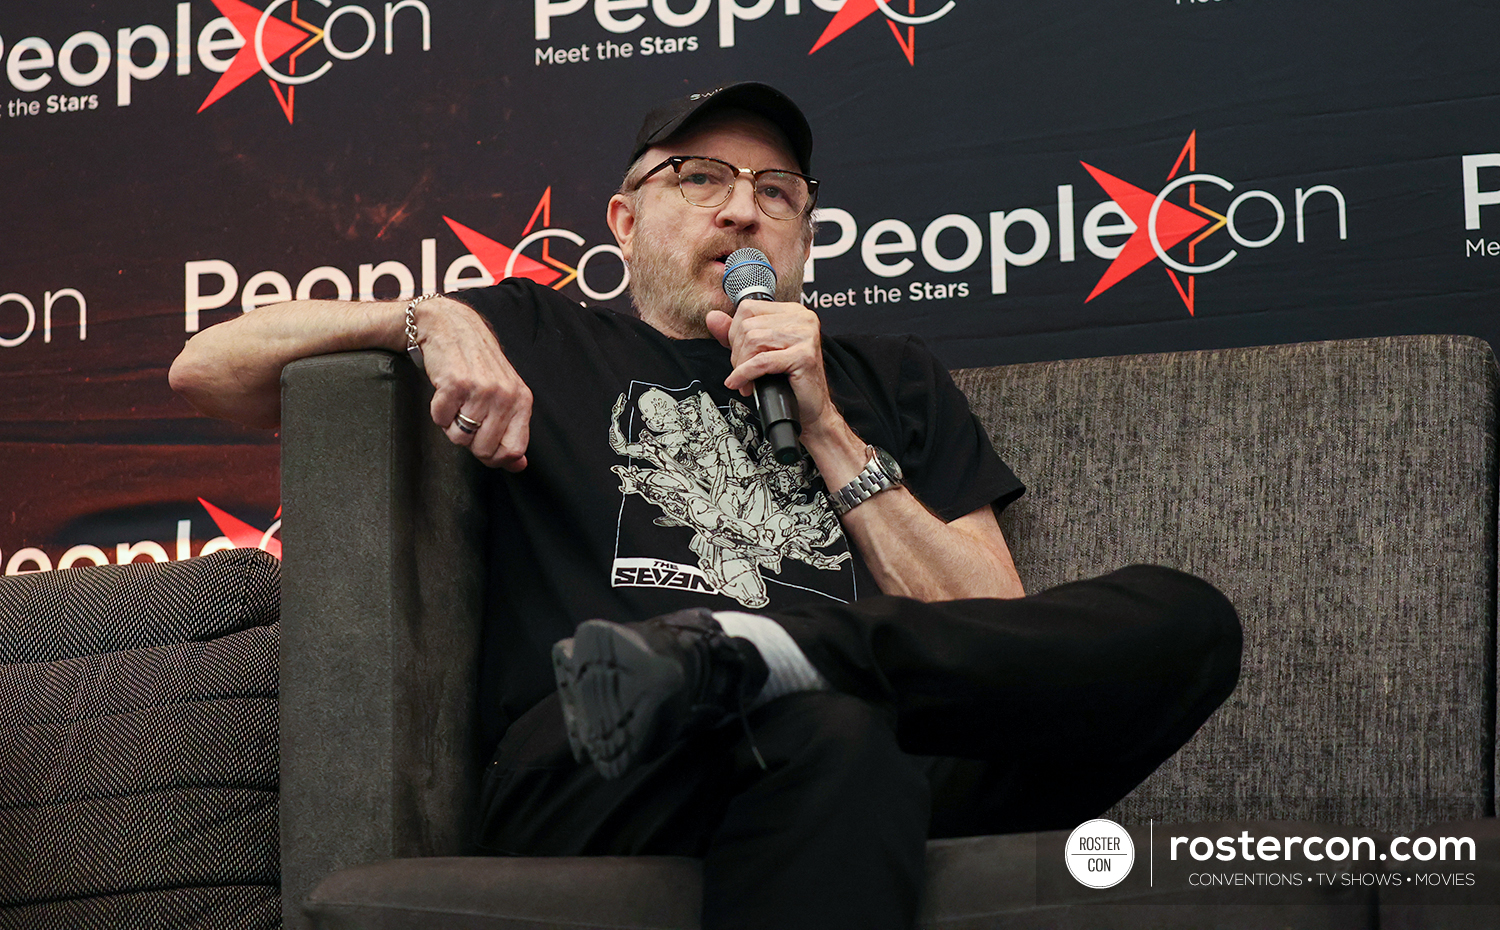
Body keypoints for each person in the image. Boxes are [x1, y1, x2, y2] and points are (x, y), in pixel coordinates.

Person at [170, 82, 1240, 930]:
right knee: (827, 731)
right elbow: (205, 369)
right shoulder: (539, 335)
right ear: (626, 221)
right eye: (700, 179)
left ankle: (768, 654)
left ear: (803, 235)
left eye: (776, 191)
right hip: (609, 752)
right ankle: (761, 668)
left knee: (1190, 622)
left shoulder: (889, 380)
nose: (741, 208)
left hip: (879, 741)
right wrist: (423, 318)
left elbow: (993, 633)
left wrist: (827, 428)